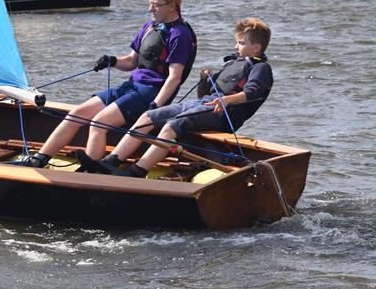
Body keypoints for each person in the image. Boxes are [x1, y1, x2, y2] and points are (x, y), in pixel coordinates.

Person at [13, 0, 197, 168]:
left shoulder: (180, 35)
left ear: (173, 6)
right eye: (150, 4)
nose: (151, 9)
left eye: (156, 5)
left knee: (98, 122)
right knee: (77, 113)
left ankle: (90, 172)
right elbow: (131, 61)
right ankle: (38, 160)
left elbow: (174, 78)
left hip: (150, 93)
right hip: (131, 87)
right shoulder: (150, 27)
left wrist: (156, 104)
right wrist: (113, 60)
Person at [81, 17, 273, 177]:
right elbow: (204, 95)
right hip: (204, 104)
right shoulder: (233, 63)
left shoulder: (260, 68)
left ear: (256, 48)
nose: (236, 46)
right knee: (147, 117)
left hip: (225, 113)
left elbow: (253, 92)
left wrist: (227, 100)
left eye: (241, 43)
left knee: (172, 125)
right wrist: (204, 80)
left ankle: (137, 170)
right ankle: (112, 161)